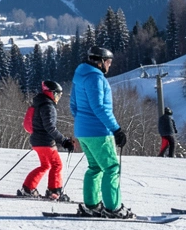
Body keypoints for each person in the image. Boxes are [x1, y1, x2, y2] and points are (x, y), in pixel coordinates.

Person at [69, 46, 133, 218]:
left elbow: (73, 106)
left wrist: (83, 122)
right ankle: (113, 208)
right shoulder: (95, 78)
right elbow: (100, 107)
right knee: (111, 168)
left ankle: (92, 205)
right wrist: (116, 129)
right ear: (101, 61)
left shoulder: (79, 76)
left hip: (82, 131)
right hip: (98, 131)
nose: (109, 65)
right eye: (109, 62)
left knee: (95, 167)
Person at [20, 80, 76, 200]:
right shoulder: (48, 106)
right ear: (51, 93)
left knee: (45, 165)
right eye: (58, 94)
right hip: (45, 142)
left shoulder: (39, 103)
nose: (59, 97)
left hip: (37, 141)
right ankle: (54, 191)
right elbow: (50, 127)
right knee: (57, 165)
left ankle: (28, 188)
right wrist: (64, 141)